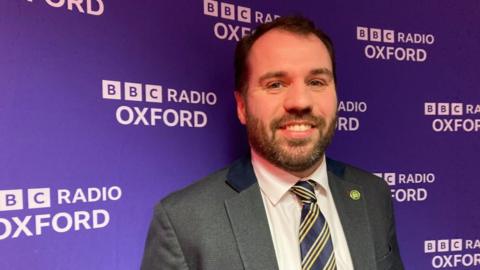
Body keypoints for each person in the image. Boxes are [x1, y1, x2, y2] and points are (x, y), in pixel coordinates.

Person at [141, 16, 404, 270]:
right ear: (242, 106)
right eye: (276, 84)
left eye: (316, 82)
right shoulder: (183, 221)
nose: (300, 101)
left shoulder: (373, 194)